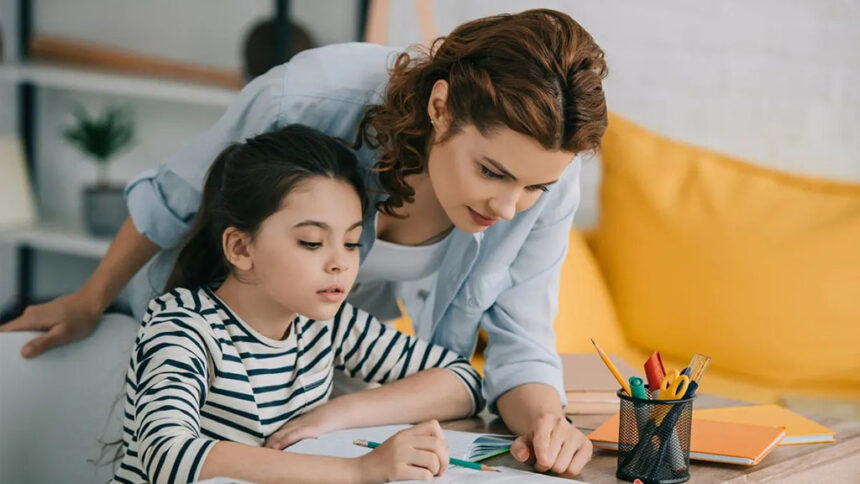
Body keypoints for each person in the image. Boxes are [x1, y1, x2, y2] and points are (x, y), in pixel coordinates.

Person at [2, 9, 607, 477]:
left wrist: (548, 422)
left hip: (309, 379)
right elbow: (174, 200)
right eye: (493, 173)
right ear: (441, 107)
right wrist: (89, 298)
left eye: (535, 187)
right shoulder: (184, 327)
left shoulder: (327, 319)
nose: (508, 208)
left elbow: (501, 354)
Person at [111, 125, 483, 484]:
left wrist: (336, 413)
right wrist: (360, 471)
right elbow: (168, 457)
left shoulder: (326, 324)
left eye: (352, 243)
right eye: (311, 242)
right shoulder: (183, 323)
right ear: (241, 248)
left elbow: (463, 381)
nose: (340, 263)